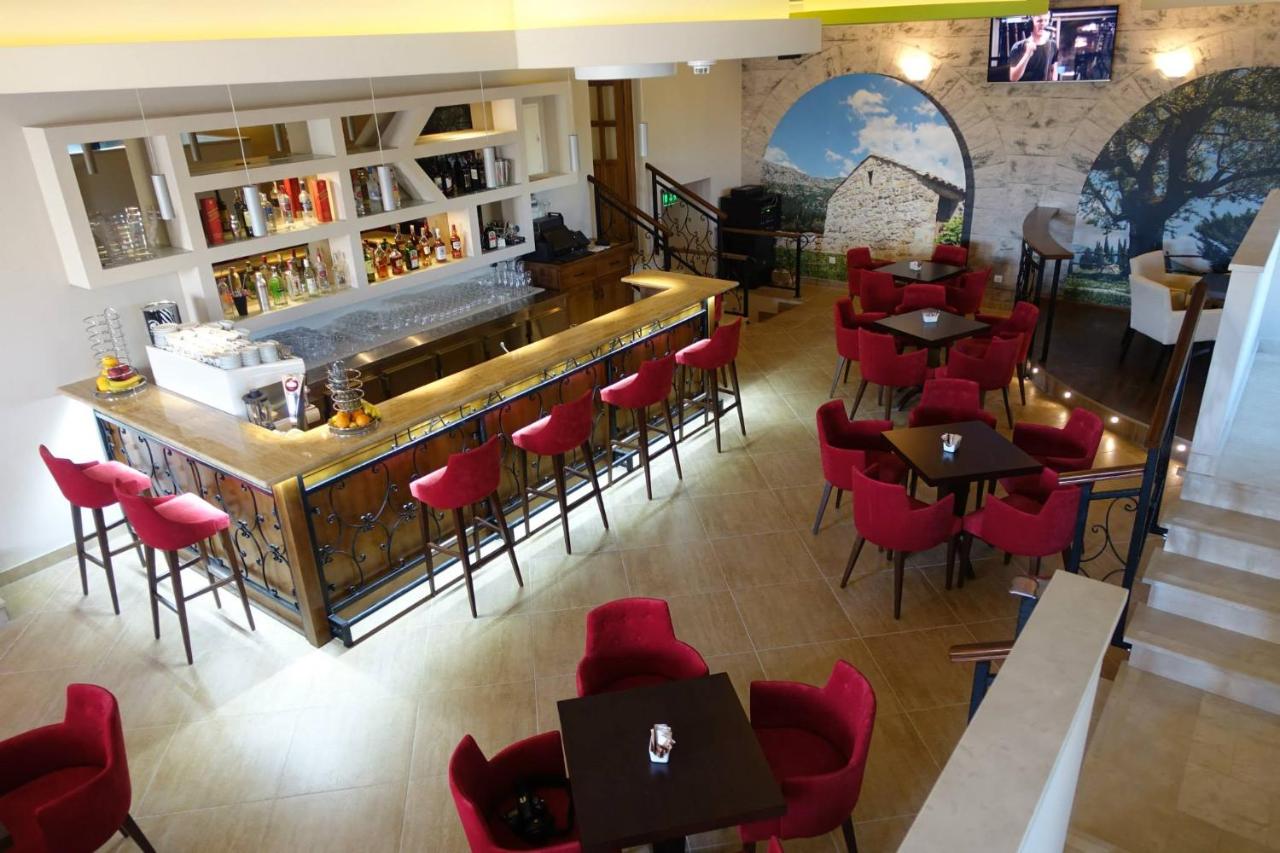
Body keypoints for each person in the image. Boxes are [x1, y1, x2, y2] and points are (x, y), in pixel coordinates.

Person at [1009, 13, 1058, 82]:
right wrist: (1027, 54)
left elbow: (1053, 70)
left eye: (1046, 20)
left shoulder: (1052, 45)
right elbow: (1013, 78)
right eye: (1039, 21)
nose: (1043, 24)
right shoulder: (1018, 46)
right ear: (1031, 23)